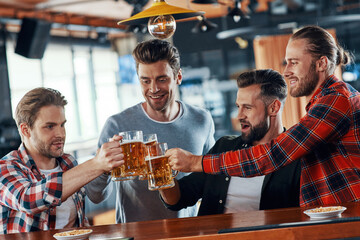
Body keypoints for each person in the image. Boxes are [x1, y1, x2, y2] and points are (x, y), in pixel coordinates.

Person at [166, 25, 360, 208]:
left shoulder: (336, 100)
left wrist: (194, 162)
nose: (286, 71)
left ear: (321, 63)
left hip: (350, 220)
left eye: (294, 62)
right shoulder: (327, 101)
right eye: (286, 62)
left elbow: (273, 155)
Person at [86, 39, 215, 223]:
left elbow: (212, 180)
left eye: (162, 79)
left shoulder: (202, 119)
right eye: (145, 81)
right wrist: (105, 167)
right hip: (135, 234)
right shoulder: (117, 124)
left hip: (188, 233)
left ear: (178, 76)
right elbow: (95, 196)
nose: (153, 89)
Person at [159, 69, 301, 215]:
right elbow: (178, 199)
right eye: (238, 106)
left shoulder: (297, 159)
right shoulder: (224, 146)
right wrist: (160, 174)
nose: (239, 116)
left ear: (274, 107)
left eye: (247, 107)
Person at [0, 88, 123, 234]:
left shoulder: (67, 162)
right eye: (50, 126)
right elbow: (28, 200)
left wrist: (104, 169)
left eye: (62, 125)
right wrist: (95, 164)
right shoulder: (6, 167)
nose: (60, 134)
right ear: (26, 130)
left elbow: (96, 196)